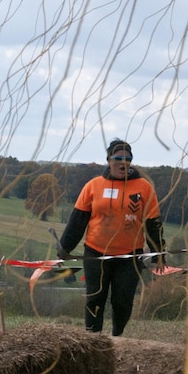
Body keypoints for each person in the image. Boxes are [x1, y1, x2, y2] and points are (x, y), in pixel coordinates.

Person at [57, 139, 165, 336]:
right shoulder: (93, 186)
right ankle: (93, 338)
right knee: (94, 297)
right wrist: (64, 247)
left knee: (122, 301)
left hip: (129, 256)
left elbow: (153, 223)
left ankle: (117, 336)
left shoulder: (144, 187)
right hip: (95, 253)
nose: (123, 162)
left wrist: (158, 252)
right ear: (109, 160)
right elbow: (78, 220)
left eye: (128, 158)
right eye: (118, 158)